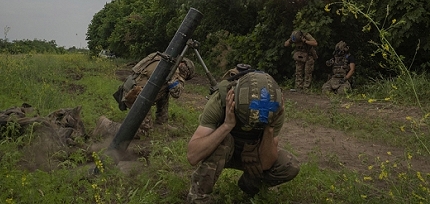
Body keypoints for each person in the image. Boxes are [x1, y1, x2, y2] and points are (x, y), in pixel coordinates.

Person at [186, 71, 300, 203]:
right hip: (223, 151)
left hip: (253, 154)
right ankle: (198, 197)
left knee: (289, 165)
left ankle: (249, 186)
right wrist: (227, 126)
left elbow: (266, 163)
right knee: (223, 140)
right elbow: (193, 155)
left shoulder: (274, 110)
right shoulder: (221, 101)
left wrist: (269, 129)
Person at [93, 52, 195, 139]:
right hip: (136, 95)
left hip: (132, 89)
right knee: (144, 131)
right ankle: (107, 125)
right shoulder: (172, 68)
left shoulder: (160, 57)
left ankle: (161, 122)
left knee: (165, 91)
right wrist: (180, 79)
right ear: (183, 64)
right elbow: (176, 93)